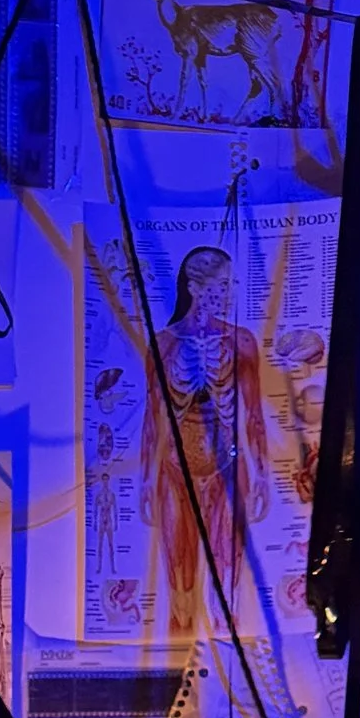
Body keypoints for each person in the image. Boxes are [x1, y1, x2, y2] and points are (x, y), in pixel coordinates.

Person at [142, 242, 268, 633]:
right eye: (223, 285)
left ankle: (228, 688)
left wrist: (262, 475)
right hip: (175, 475)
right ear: (195, 289)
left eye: (232, 285)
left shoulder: (242, 343)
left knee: (226, 595)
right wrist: (146, 480)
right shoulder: (162, 345)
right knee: (180, 590)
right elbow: (152, 418)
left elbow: (253, 416)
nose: (231, 293)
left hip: (228, 472)